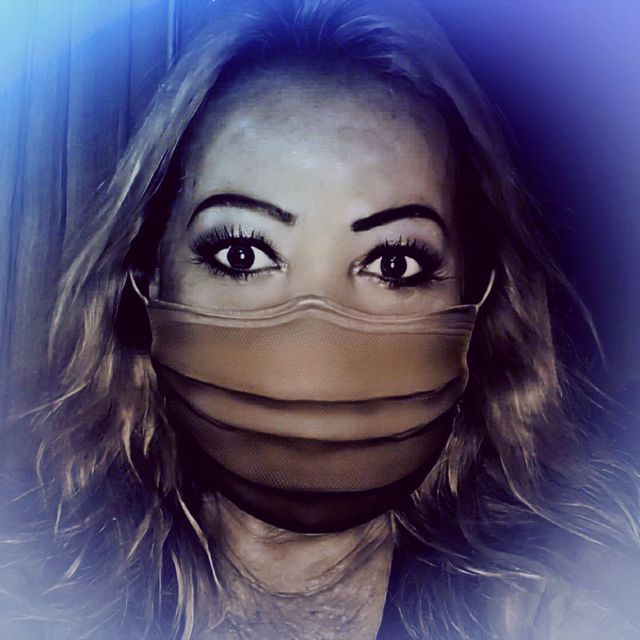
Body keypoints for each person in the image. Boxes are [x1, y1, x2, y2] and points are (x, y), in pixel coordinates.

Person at [1, 0, 638, 638]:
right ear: (147, 279)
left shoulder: (577, 604)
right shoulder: (24, 582)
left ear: (479, 300)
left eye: (393, 263)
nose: (313, 348)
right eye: (242, 253)